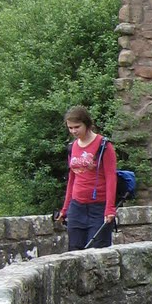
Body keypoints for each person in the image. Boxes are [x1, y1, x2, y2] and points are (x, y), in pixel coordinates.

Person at [59, 105, 119, 250]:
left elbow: (111, 177)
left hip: (98, 207)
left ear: (87, 124)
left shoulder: (104, 145)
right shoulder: (72, 147)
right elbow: (72, 178)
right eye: (70, 128)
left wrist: (110, 208)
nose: (74, 131)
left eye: (77, 127)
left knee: (97, 251)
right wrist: (65, 208)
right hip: (77, 207)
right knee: (74, 251)